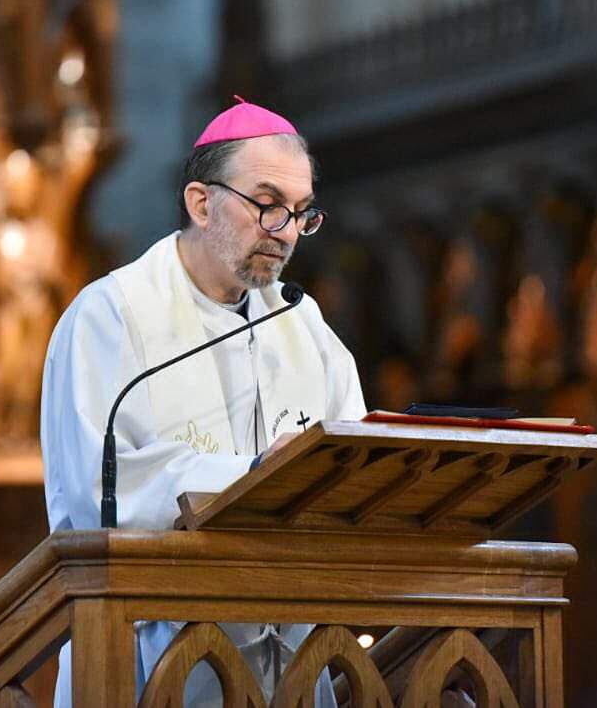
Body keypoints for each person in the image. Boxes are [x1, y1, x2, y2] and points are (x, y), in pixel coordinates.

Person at [40, 98, 366, 704]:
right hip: (150, 657)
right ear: (201, 202)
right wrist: (254, 475)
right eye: (267, 205)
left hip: (292, 665)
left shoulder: (301, 322)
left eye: (301, 213)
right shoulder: (111, 315)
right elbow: (99, 497)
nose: (287, 232)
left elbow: (354, 464)